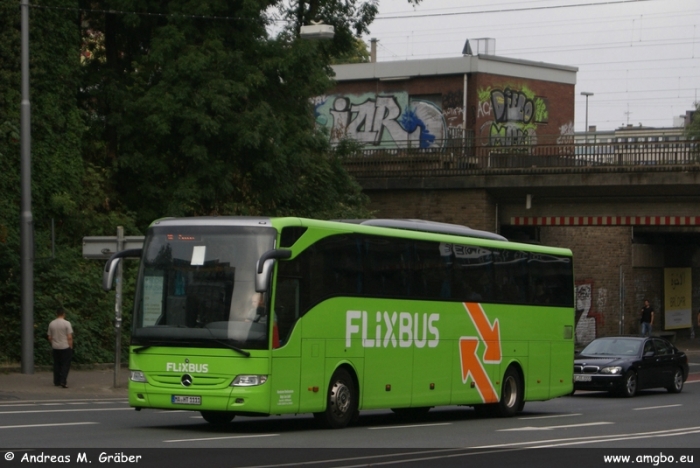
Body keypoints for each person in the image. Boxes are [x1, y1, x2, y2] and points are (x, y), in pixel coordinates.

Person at [47, 308, 74, 388]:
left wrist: (53, 343)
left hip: (55, 347)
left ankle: (56, 381)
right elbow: (69, 337)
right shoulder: (67, 323)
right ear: (64, 314)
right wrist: (71, 346)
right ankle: (63, 381)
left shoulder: (51, 323)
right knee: (65, 364)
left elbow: (49, 337)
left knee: (57, 364)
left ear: (56, 314)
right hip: (65, 346)